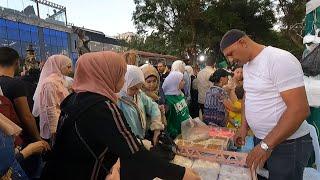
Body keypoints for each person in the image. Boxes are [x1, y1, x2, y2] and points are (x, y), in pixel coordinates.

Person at [40, 51, 199, 180]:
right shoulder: (102, 107)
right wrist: (181, 174)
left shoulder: (73, 99)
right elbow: (135, 152)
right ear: (105, 74)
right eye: (120, 74)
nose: (123, 80)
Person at [221, 29, 312, 180]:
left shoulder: (278, 59)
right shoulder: (248, 66)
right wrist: (243, 127)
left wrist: (266, 145)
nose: (230, 60)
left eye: (231, 54)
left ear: (243, 42)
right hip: (262, 140)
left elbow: (300, 110)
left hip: (287, 144)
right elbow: (248, 98)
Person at [0, 47, 41, 143]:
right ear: (17, 63)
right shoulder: (16, 84)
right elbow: (26, 116)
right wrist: (38, 139)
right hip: (18, 137)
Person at [118, 65, 164, 144]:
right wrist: (140, 143)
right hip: (131, 143)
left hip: (143, 137)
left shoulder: (139, 94)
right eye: (133, 88)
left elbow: (153, 106)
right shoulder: (118, 101)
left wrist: (156, 127)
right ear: (124, 83)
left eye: (139, 87)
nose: (136, 91)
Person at [33, 55, 72, 142]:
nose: (70, 70)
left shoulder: (60, 80)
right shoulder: (50, 83)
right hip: (54, 126)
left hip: (61, 121)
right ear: (58, 65)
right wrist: (53, 130)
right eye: (68, 67)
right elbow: (50, 107)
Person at [162, 71, 191, 139]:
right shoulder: (168, 100)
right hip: (176, 135)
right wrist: (173, 133)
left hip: (184, 131)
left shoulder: (180, 94)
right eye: (182, 80)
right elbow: (168, 120)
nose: (184, 82)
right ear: (175, 82)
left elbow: (185, 111)